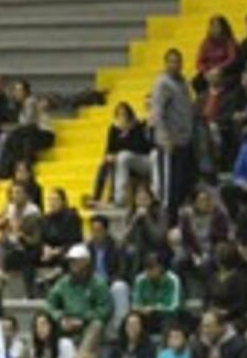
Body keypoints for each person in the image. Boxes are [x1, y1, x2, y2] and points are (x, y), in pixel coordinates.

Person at [150, 48, 196, 221]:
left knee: (181, 183)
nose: (175, 65)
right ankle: (166, 221)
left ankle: (177, 219)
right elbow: (158, 113)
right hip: (170, 143)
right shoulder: (163, 83)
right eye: (171, 61)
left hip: (185, 140)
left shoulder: (183, 82)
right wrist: (165, 138)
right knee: (168, 187)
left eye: (178, 61)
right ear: (166, 63)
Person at [47, 243, 113, 355]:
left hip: (88, 323)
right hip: (67, 321)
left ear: (86, 262)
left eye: (76, 261)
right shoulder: (63, 283)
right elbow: (50, 303)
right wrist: (60, 318)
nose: (73, 265)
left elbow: (105, 308)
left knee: (97, 325)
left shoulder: (98, 284)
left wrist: (83, 319)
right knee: (45, 321)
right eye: (71, 261)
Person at [90, 101, 152, 207]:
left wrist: (126, 134)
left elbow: (140, 147)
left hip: (137, 158)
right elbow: (109, 148)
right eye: (119, 114)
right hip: (119, 158)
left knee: (122, 157)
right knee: (104, 163)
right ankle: (96, 197)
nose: (122, 117)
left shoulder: (137, 126)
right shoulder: (113, 129)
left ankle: (119, 198)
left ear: (129, 114)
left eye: (124, 114)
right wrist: (109, 156)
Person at [0, 181, 42, 299]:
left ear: (26, 195)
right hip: (11, 245)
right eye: (13, 193)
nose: (15, 196)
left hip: (27, 249)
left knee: (10, 250)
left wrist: (21, 234)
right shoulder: (9, 208)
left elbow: (35, 241)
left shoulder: (34, 214)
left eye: (18, 193)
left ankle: (28, 292)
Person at [173, 186, 231, 292]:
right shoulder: (187, 217)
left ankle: (211, 295)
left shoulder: (219, 215)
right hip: (194, 252)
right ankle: (183, 292)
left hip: (213, 252)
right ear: (195, 202)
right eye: (201, 200)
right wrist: (194, 255)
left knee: (205, 265)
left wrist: (207, 254)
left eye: (207, 199)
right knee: (177, 262)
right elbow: (186, 241)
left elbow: (222, 239)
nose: (206, 203)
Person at [120, 181, 169, 275]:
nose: (142, 202)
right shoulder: (131, 213)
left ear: (151, 199)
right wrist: (134, 220)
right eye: (139, 199)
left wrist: (147, 218)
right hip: (137, 250)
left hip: (157, 250)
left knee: (145, 255)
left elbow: (158, 239)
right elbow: (123, 239)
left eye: (145, 199)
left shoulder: (160, 212)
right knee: (128, 251)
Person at [204, 241, 247, 332]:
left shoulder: (240, 278)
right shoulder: (213, 277)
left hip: (234, 318)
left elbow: (242, 305)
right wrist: (209, 310)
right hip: (213, 316)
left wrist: (226, 312)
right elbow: (206, 299)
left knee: (223, 328)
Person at [131, 252, 181, 335]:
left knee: (169, 319)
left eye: (152, 268)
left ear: (160, 267)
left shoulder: (173, 279)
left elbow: (175, 307)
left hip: (165, 316)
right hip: (145, 316)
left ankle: (164, 345)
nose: (149, 272)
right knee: (132, 318)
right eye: (147, 268)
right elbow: (135, 304)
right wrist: (142, 309)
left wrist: (155, 308)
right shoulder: (140, 279)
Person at [194, 15, 239, 91]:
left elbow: (232, 58)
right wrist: (205, 72)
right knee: (196, 82)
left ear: (223, 28)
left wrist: (218, 69)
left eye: (217, 26)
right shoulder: (206, 42)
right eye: (212, 26)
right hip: (209, 72)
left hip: (225, 72)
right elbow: (199, 61)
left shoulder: (230, 42)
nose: (214, 28)